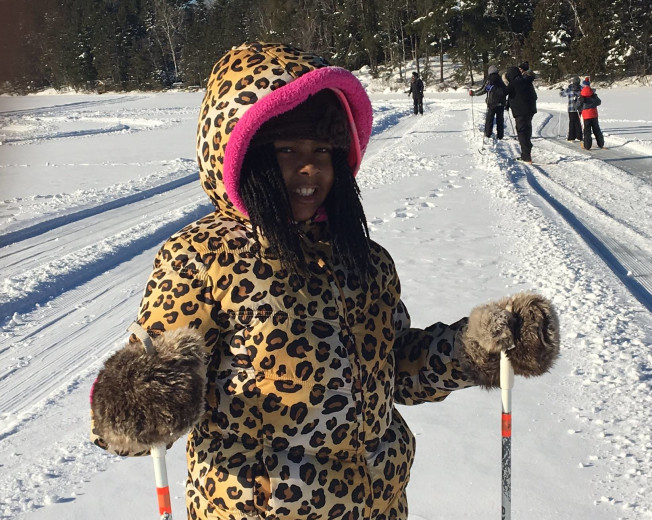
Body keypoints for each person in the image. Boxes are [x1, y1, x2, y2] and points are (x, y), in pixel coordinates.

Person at [89, 42, 560, 520]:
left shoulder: (366, 260)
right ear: (243, 156)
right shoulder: (203, 257)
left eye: (322, 150)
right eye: (287, 150)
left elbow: (395, 367)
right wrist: (142, 397)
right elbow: (127, 417)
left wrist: (476, 347)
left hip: (379, 504)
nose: (309, 167)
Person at [505, 62, 538, 163]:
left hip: (520, 111)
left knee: (521, 132)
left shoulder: (513, 84)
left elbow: (504, 93)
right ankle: (527, 149)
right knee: (527, 130)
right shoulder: (527, 81)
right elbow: (535, 96)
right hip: (530, 110)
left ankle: (526, 156)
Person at [469, 65, 508, 140]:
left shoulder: (489, 80)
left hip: (492, 103)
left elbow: (483, 90)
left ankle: (488, 134)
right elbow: (506, 90)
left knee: (489, 119)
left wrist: (474, 93)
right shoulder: (500, 80)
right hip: (501, 103)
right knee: (500, 120)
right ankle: (500, 135)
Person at [576, 77, 604, 149]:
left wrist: (580, 108)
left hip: (586, 116)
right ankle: (601, 144)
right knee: (596, 129)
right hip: (594, 115)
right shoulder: (593, 95)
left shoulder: (581, 96)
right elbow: (599, 102)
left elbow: (578, 106)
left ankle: (587, 145)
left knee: (587, 131)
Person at [559, 75, 583, 142]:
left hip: (571, 108)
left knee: (572, 122)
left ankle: (571, 137)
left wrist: (561, 90)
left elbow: (562, 94)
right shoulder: (581, 88)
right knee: (578, 122)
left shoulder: (569, 89)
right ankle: (579, 136)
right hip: (579, 108)